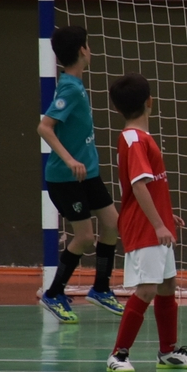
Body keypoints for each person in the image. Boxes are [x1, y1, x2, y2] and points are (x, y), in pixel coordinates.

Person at [105, 73, 187, 372]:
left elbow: (151, 186)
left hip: (155, 223)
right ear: (150, 101)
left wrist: (164, 217)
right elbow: (138, 186)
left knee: (167, 285)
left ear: (117, 108)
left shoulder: (140, 137)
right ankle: (118, 354)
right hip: (144, 227)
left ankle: (168, 352)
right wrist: (159, 225)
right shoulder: (134, 139)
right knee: (147, 289)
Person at [36, 25, 122, 323]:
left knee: (111, 224)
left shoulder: (74, 84)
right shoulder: (70, 89)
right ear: (82, 50)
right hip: (65, 178)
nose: (90, 49)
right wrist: (71, 159)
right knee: (84, 237)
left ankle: (101, 288)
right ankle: (53, 293)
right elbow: (44, 127)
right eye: (88, 44)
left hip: (89, 174)